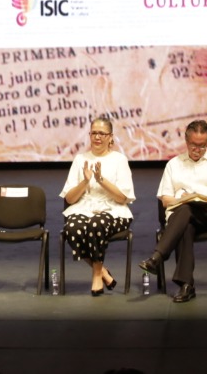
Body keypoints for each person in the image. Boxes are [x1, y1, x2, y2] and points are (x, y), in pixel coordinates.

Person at [139, 120, 207, 302]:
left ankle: (157, 257)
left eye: (202, 146)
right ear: (186, 141)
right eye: (194, 145)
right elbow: (165, 200)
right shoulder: (173, 164)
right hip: (181, 217)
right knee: (186, 220)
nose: (197, 149)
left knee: (186, 210)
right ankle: (187, 286)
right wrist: (183, 200)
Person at [59, 117, 135, 295]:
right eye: (94, 133)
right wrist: (85, 181)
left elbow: (122, 198)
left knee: (96, 224)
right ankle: (103, 272)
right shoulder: (80, 159)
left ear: (110, 137)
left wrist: (101, 180)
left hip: (114, 211)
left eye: (102, 133)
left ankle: (96, 276)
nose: (97, 137)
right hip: (84, 208)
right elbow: (70, 198)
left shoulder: (119, 160)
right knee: (72, 228)